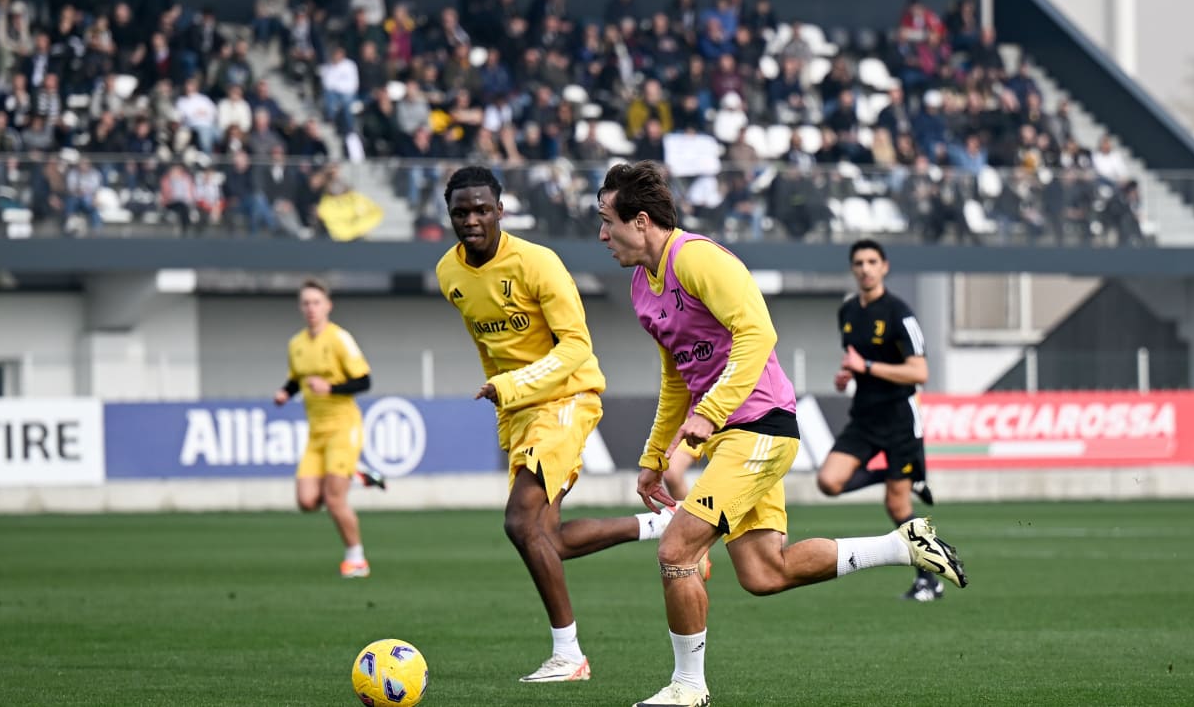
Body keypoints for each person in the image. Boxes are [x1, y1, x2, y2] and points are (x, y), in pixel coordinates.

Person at [596, 161, 967, 707]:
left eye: (607, 221)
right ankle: (903, 545)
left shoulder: (694, 257)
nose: (602, 234)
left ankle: (688, 688)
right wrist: (656, 453)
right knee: (765, 572)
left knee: (675, 548)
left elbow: (758, 331)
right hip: (731, 432)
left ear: (642, 221)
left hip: (760, 425)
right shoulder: (640, 287)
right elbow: (676, 373)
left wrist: (709, 413)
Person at [435, 165, 678, 683]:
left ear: (501, 211)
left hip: (567, 397)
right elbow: (489, 346)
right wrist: (504, 398)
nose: (472, 220)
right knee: (549, 539)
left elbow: (576, 348)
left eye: (482, 210)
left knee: (519, 522)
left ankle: (569, 656)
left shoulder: (538, 264)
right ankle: (664, 525)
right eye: (461, 212)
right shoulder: (448, 274)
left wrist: (512, 387)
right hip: (519, 412)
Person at [817, 239, 944, 601]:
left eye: (872, 261)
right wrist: (849, 377)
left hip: (900, 419)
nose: (865, 268)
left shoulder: (899, 313)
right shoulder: (848, 313)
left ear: (884, 266)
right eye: (859, 262)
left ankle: (930, 580)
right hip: (864, 418)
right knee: (829, 482)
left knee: (897, 507)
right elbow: (856, 363)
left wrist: (867, 367)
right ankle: (904, 478)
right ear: (853, 268)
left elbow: (920, 371)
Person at [273, 279, 384, 579]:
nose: (311, 308)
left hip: (343, 427)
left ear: (328, 305)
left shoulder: (339, 339)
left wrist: (331, 387)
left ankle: (356, 558)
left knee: (335, 500)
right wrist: (285, 392)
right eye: (306, 303)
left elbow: (364, 380)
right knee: (307, 501)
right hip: (316, 432)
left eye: (316, 302)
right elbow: (297, 378)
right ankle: (357, 475)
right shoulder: (296, 344)